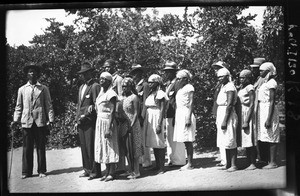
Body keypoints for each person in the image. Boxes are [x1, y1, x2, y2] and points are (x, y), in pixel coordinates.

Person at [11, 62, 54, 179]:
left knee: (41, 147)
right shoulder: (22, 89)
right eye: (30, 71)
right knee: (27, 148)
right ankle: (26, 172)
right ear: (27, 74)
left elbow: (48, 105)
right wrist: (15, 120)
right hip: (27, 121)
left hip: (40, 121)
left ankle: (42, 170)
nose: (32, 73)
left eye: (34, 71)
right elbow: (18, 106)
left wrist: (51, 119)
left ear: (37, 74)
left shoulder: (43, 88)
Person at [74, 61, 101, 180]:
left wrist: (88, 114)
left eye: (86, 73)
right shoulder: (81, 87)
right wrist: (76, 120)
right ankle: (86, 169)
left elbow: (97, 104)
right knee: (84, 146)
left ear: (90, 73)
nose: (83, 76)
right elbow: (79, 105)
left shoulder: (95, 86)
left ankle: (95, 171)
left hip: (90, 120)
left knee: (91, 146)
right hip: (81, 121)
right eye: (82, 74)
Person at [94, 72, 119, 181]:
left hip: (108, 121)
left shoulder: (111, 93)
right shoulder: (101, 93)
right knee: (102, 145)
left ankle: (112, 172)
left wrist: (109, 127)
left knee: (110, 145)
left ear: (109, 81)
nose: (101, 81)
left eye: (103, 79)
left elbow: (113, 111)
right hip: (100, 121)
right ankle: (107, 171)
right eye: (100, 79)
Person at [103, 59, 126, 174]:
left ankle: (121, 166)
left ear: (114, 66)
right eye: (105, 67)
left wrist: (118, 113)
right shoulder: (107, 79)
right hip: (108, 113)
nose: (106, 69)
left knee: (119, 141)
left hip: (116, 113)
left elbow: (121, 97)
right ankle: (114, 165)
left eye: (108, 67)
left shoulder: (119, 79)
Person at [161, 61, 186, 167]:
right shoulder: (168, 84)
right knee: (169, 138)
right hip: (168, 114)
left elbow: (177, 100)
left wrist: (176, 116)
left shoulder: (177, 83)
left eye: (168, 72)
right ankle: (171, 159)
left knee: (176, 138)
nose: (166, 74)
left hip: (174, 114)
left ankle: (179, 160)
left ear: (173, 72)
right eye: (165, 72)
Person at [118, 77, 143, 179]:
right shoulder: (122, 98)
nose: (124, 88)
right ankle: (130, 170)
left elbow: (137, 113)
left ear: (130, 87)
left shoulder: (134, 97)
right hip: (124, 124)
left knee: (134, 148)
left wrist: (131, 125)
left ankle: (136, 171)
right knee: (127, 149)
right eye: (122, 86)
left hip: (133, 124)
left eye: (126, 86)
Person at [257, 62, 280, 169]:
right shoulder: (264, 82)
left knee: (271, 134)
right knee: (265, 135)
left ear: (268, 71)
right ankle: (266, 160)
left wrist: (269, 118)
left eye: (262, 70)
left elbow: (271, 101)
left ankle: (273, 162)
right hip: (262, 109)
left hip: (268, 109)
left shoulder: (272, 82)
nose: (260, 72)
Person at [129, 64, 152, 168]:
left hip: (142, 114)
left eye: (136, 73)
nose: (134, 75)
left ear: (140, 73)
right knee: (137, 137)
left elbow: (145, 101)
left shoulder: (145, 85)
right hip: (135, 114)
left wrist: (142, 116)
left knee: (143, 137)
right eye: (133, 73)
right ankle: (140, 159)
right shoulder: (134, 86)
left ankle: (147, 160)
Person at [215, 68, 238, 172]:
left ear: (227, 76)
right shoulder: (223, 86)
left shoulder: (230, 86)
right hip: (221, 112)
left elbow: (229, 104)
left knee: (230, 138)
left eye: (221, 76)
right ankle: (227, 164)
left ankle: (233, 164)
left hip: (227, 114)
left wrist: (225, 120)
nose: (219, 78)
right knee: (224, 140)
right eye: (218, 77)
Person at [173, 69, 196, 171]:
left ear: (185, 79)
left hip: (186, 113)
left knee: (188, 139)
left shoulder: (189, 87)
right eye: (177, 79)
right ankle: (188, 162)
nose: (178, 81)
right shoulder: (180, 89)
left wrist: (188, 117)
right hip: (180, 114)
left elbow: (191, 103)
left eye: (180, 79)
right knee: (184, 140)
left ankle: (190, 164)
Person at [144, 74, 167, 174]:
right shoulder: (151, 93)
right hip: (150, 117)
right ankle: (157, 165)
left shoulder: (160, 93)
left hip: (157, 117)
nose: (149, 84)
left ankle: (162, 167)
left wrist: (159, 124)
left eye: (151, 82)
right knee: (154, 142)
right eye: (148, 82)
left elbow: (162, 109)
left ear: (157, 83)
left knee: (159, 142)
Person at [237, 69, 257, 170]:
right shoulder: (242, 87)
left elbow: (252, 104)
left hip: (247, 112)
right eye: (240, 77)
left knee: (250, 138)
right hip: (242, 112)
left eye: (243, 77)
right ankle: (248, 161)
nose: (241, 79)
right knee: (245, 139)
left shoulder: (250, 87)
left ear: (248, 78)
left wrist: (246, 121)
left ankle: (253, 163)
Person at [250, 57, 268, 164]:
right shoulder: (257, 79)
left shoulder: (263, 80)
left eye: (256, 68)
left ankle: (264, 157)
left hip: (261, 107)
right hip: (257, 108)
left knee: (262, 132)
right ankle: (261, 156)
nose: (254, 70)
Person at [211, 61, 227, 167]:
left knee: (225, 135)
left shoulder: (226, 85)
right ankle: (223, 158)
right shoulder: (219, 84)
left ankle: (226, 160)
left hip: (224, 111)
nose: (216, 70)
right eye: (216, 68)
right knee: (220, 136)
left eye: (219, 68)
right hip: (219, 110)